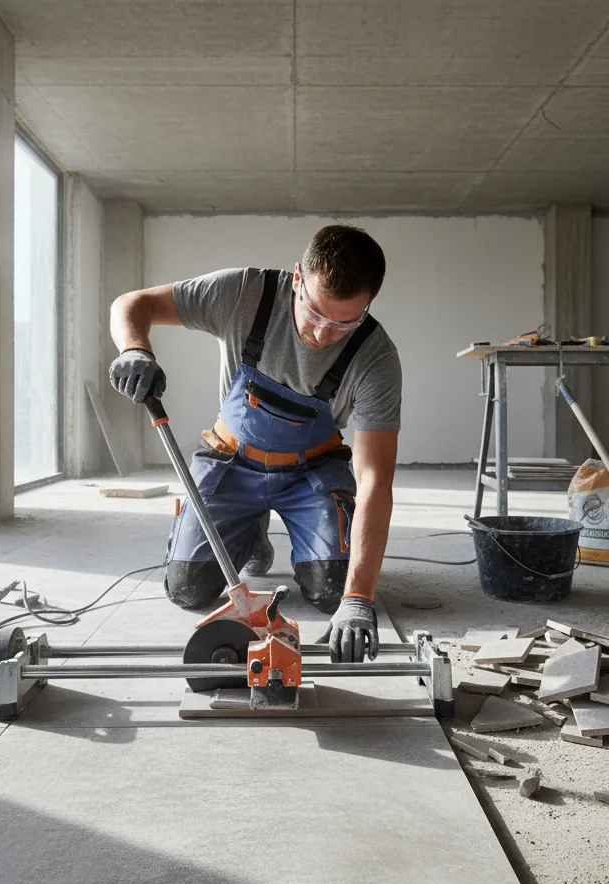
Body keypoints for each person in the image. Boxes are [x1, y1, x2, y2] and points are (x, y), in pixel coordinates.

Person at [108, 225, 401, 663]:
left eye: (344, 324)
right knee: (188, 589)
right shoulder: (245, 293)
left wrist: (359, 597)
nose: (323, 335)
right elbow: (132, 303)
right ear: (297, 278)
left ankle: (287, 535)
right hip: (232, 461)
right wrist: (135, 350)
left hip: (311, 473)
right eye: (315, 315)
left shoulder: (376, 358)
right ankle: (251, 532)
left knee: (331, 592)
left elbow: (375, 478)